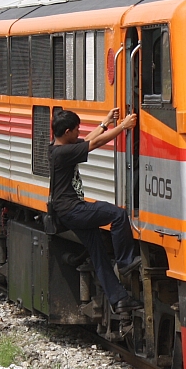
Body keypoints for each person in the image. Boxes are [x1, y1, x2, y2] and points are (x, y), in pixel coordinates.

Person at [49, 108, 142, 313]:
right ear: (66, 132)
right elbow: (94, 143)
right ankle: (125, 262)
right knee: (117, 215)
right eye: (76, 130)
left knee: (98, 253)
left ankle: (119, 300)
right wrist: (122, 127)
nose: (78, 133)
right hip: (74, 210)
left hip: (67, 211)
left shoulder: (59, 147)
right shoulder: (63, 153)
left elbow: (86, 141)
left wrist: (105, 122)